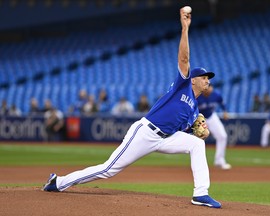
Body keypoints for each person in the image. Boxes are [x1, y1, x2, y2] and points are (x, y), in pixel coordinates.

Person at [42, 7, 222, 209]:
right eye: (204, 77)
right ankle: (58, 182)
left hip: (166, 138)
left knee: (196, 145)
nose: (207, 81)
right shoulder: (183, 84)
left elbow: (185, 130)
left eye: (209, 79)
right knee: (108, 169)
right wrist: (185, 28)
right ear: (194, 79)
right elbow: (184, 59)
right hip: (145, 132)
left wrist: (198, 132)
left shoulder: (193, 108)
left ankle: (201, 194)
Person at [197, 84, 231, 170]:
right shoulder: (197, 96)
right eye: (207, 90)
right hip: (199, 118)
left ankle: (219, 160)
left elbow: (222, 102)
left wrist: (225, 111)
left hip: (211, 116)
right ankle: (197, 163)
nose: (208, 92)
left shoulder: (215, 95)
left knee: (222, 136)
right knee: (197, 140)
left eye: (210, 90)